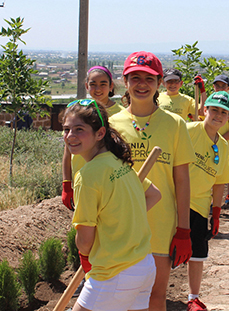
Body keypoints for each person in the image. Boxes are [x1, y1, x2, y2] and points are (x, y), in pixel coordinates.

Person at [108, 51, 196, 311]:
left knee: (156, 297)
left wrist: (184, 229)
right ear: (125, 82)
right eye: (135, 77)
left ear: (159, 83)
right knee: (118, 297)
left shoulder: (175, 124)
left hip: (161, 225)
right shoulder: (112, 125)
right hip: (120, 225)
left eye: (149, 78)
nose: (142, 84)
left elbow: (182, 180)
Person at [62, 98, 162, 311]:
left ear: (100, 133)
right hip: (143, 264)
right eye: (66, 129)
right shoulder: (119, 162)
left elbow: (85, 241)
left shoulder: (88, 175)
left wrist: (85, 255)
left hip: (114, 271)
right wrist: (124, 222)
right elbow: (154, 195)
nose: (70, 136)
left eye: (79, 129)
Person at [185, 91, 229, 311]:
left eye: (223, 112)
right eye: (214, 110)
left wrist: (216, 211)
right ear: (205, 110)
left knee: (197, 253)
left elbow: (219, 181)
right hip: (177, 202)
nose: (218, 115)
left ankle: (193, 298)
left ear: (228, 117)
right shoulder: (188, 131)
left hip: (200, 206)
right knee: (165, 252)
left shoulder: (223, 146)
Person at [61, 65, 124, 211]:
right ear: (86, 86)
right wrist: (66, 184)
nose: (98, 89)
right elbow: (67, 151)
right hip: (81, 179)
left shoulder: (120, 114)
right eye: (93, 84)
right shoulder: (77, 111)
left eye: (103, 84)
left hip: (108, 181)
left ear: (111, 86)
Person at [211, 74, 229, 141]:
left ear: (228, 88)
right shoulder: (209, 103)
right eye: (217, 86)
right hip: (206, 143)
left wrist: (218, 141)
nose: (220, 89)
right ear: (213, 87)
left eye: (223, 86)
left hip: (223, 146)